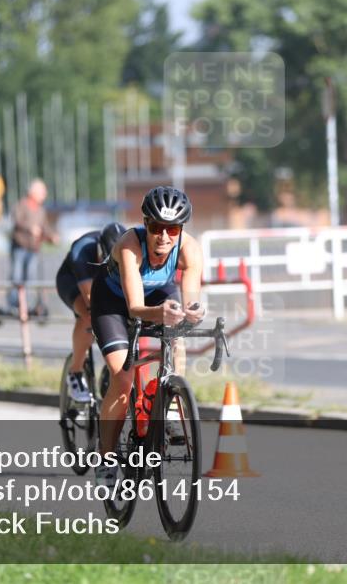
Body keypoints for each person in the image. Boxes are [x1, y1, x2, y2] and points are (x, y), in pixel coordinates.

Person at [89, 186, 205, 487]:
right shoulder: (130, 245)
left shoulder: (190, 249)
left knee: (177, 339)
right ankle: (106, 460)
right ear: (145, 224)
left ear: (181, 230)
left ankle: (168, 408)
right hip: (113, 303)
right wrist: (163, 313)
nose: (164, 237)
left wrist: (193, 312)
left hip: (159, 294)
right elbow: (136, 308)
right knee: (123, 380)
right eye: (156, 227)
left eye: (172, 229)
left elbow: (191, 298)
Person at [56, 222, 127, 402]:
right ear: (100, 249)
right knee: (89, 315)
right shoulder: (82, 251)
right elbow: (91, 300)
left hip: (105, 281)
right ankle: (76, 372)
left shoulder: (130, 248)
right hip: (72, 281)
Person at [7, 178, 59, 313]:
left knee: (31, 277)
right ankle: (14, 305)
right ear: (33, 192)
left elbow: (45, 227)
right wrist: (30, 228)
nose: (44, 195)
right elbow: (17, 221)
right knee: (16, 276)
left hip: (34, 249)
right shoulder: (21, 205)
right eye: (42, 192)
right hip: (20, 247)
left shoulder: (41, 210)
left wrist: (51, 236)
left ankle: (27, 305)